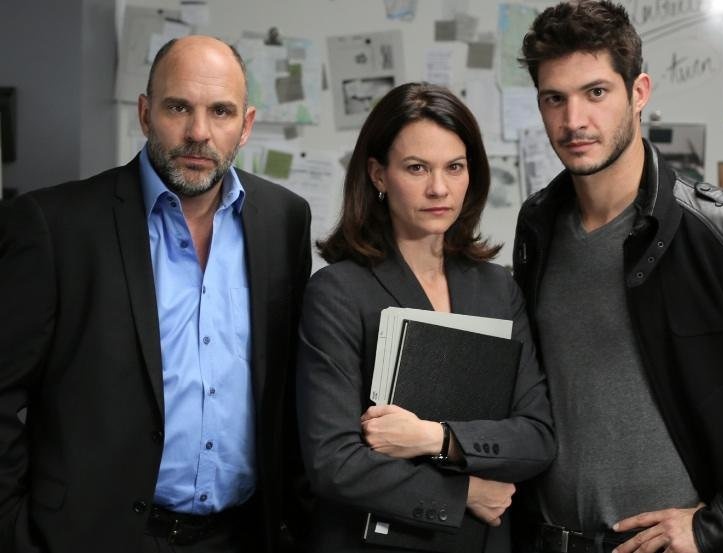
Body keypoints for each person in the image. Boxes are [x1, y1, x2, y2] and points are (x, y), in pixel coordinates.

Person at [512, 2, 723, 553]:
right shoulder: (537, 223)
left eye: (595, 92)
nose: (573, 121)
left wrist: (719, 525)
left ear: (638, 93)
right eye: (553, 98)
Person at [0, 36, 312, 553]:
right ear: (145, 114)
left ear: (246, 125)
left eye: (221, 111)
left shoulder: (285, 219)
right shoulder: (54, 226)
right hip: (94, 537)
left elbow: (287, 388)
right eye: (178, 107)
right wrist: (15, 534)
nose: (199, 132)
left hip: (242, 534)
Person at [295, 82, 555, 553]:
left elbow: (536, 439)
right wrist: (466, 492)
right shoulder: (337, 292)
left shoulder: (498, 289)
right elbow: (334, 461)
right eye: (417, 168)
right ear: (378, 174)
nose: (439, 188)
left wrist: (435, 438)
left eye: (455, 167)